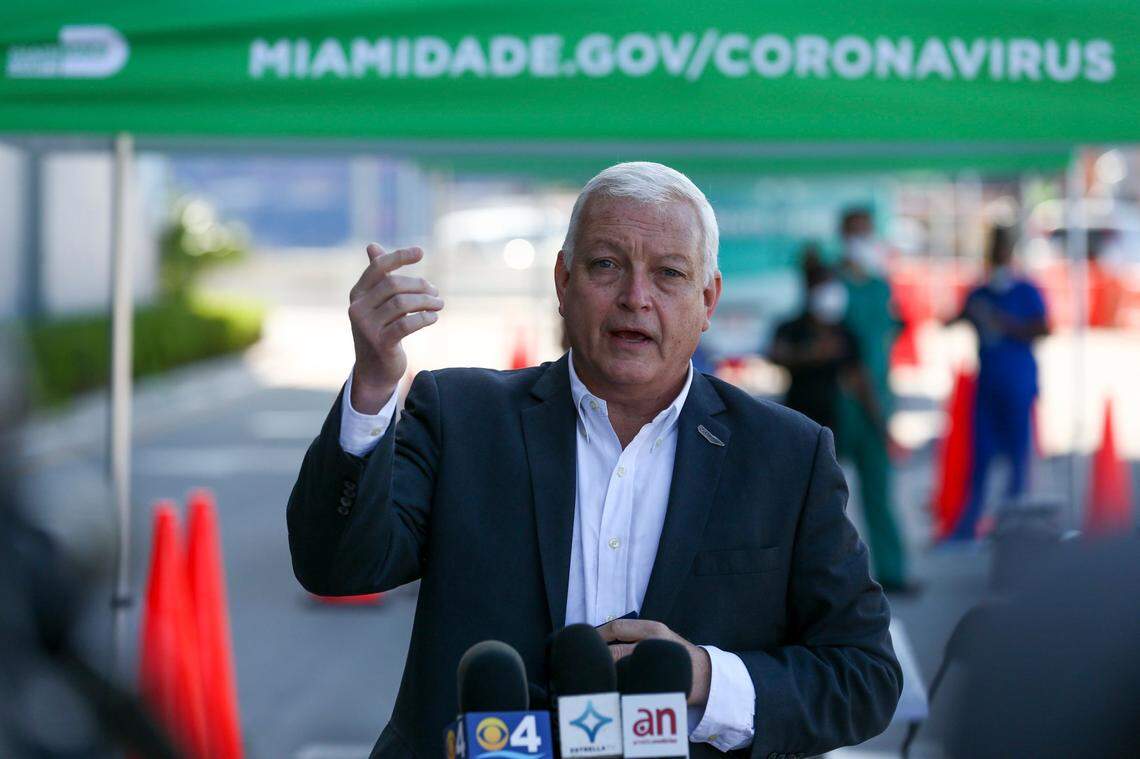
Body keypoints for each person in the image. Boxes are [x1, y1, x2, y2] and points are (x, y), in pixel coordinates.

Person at [287, 163, 901, 758]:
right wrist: (373, 383)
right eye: (607, 265)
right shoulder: (462, 417)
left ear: (708, 298)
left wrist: (706, 676)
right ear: (562, 281)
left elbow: (863, 676)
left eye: (669, 273)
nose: (636, 298)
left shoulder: (786, 455)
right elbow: (336, 567)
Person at [946, 226, 1048, 541]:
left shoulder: (1026, 290)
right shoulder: (980, 293)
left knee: (1017, 457)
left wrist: (1006, 323)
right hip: (988, 385)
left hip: (1018, 383)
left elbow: (1044, 328)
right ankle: (970, 525)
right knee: (981, 456)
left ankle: (1014, 527)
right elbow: (953, 318)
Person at [836, 208, 912, 593]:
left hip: (877, 403)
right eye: (856, 233)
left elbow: (887, 337)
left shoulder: (881, 287)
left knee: (879, 493)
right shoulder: (833, 287)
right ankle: (830, 581)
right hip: (840, 406)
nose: (862, 241)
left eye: (867, 233)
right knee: (824, 500)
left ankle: (893, 572)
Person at [770, 245, 885, 438]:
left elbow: (859, 380)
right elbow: (776, 355)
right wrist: (810, 353)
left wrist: (881, 427)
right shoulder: (792, 327)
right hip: (796, 420)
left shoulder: (845, 332)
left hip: (834, 426)